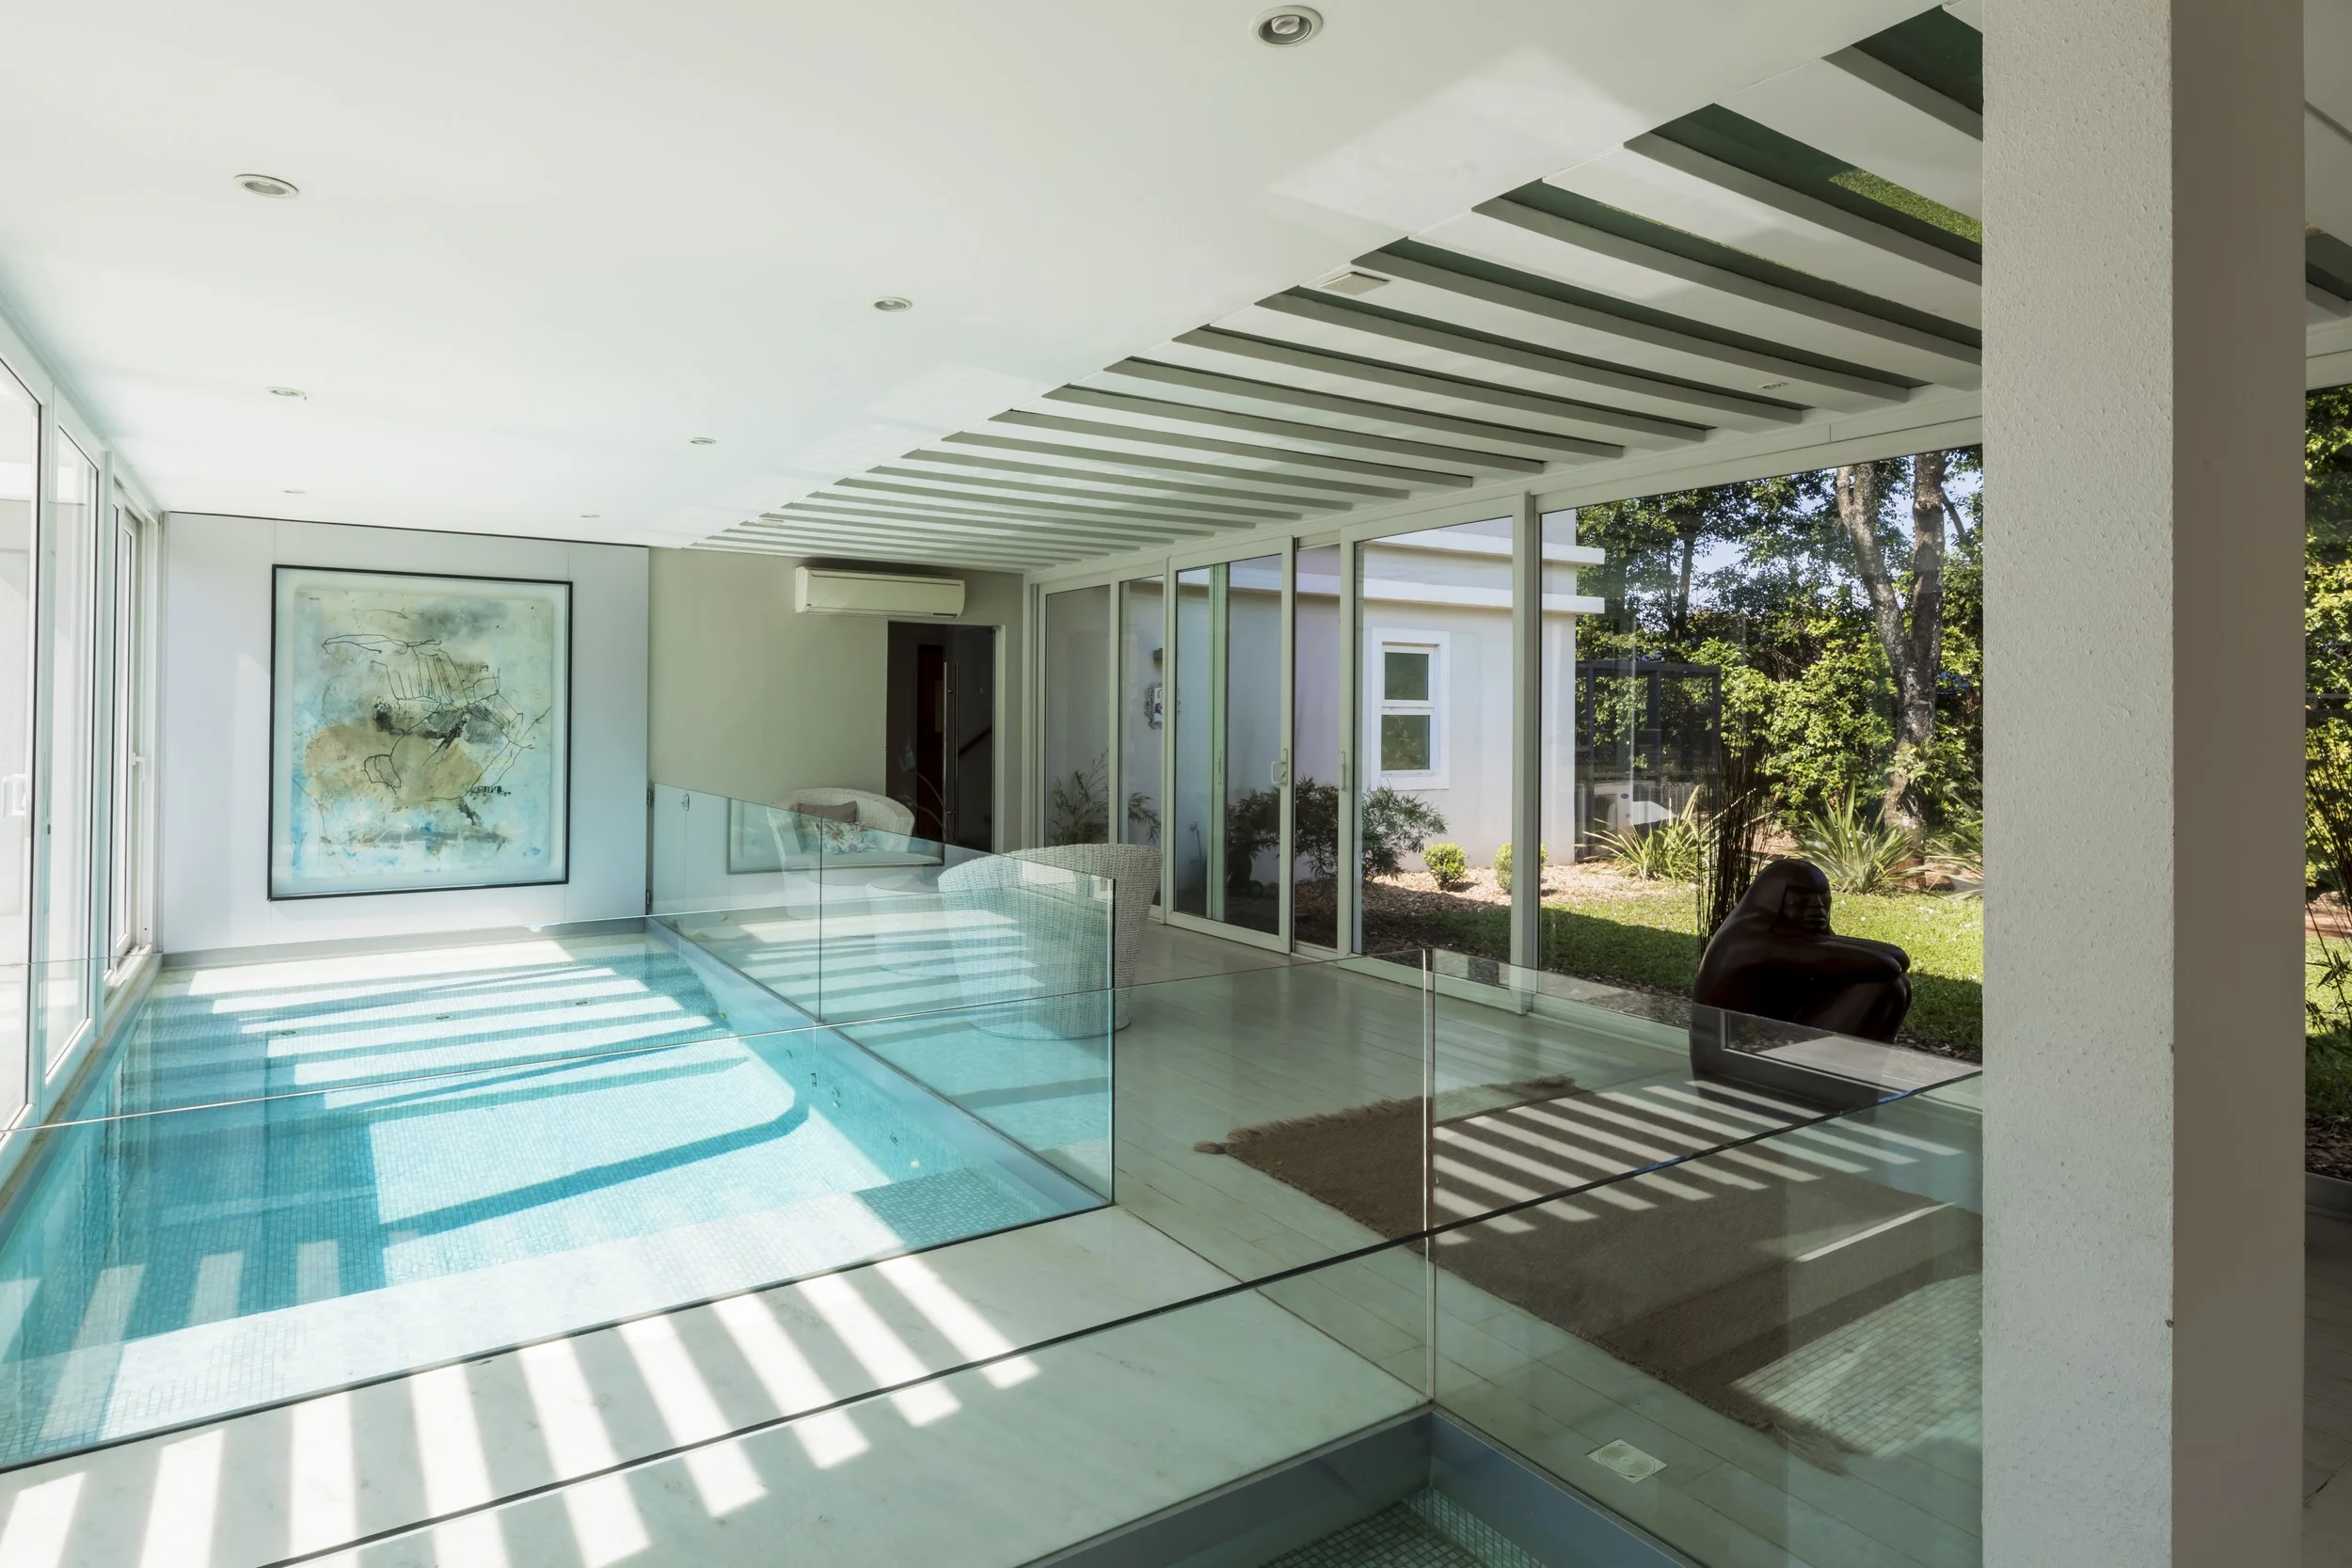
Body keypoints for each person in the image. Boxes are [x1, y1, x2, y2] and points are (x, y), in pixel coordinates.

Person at [1692, 857, 1911, 1042]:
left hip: (1768, 1043)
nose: (1818, 906)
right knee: (1887, 986)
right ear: (1773, 900)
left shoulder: (1792, 935)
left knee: (1895, 983)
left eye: (1823, 896)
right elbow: (1885, 965)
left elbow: (1895, 959)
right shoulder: (1748, 943)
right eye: (1802, 897)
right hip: (1734, 1059)